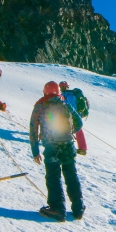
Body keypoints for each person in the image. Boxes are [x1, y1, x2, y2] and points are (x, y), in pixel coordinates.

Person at [30, 81, 85, 222]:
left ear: (45, 92)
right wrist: (70, 132)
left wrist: (35, 151)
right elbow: (79, 122)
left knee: (53, 177)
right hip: (68, 145)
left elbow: (33, 129)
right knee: (71, 176)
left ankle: (57, 209)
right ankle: (78, 208)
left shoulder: (40, 106)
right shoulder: (65, 104)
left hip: (51, 146)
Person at [58, 81, 88, 155]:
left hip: (74, 115)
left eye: (63, 86)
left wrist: (72, 115)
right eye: (61, 86)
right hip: (71, 115)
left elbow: (72, 106)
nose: (62, 88)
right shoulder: (63, 95)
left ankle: (82, 148)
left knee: (77, 130)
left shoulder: (70, 95)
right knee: (74, 129)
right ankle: (82, 148)